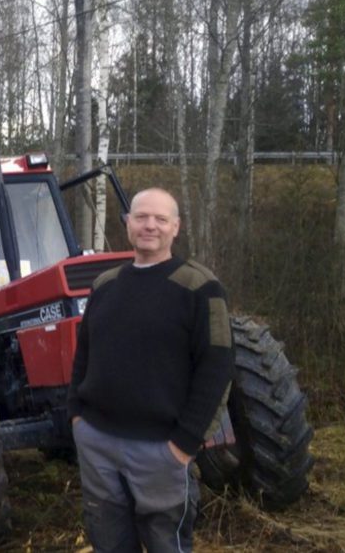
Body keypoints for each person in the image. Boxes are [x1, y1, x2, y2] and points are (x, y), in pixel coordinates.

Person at [67, 187, 234, 552]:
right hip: (98, 445)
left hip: (161, 450)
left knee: (166, 543)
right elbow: (84, 355)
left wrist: (185, 444)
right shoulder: (105, 285)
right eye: (141, 217)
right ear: (127, 224)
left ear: (176, 227)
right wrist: (77, 417)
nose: (150, 226)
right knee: (108, 542)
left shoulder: (200, 287)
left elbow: (217, 366)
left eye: (160, 219)